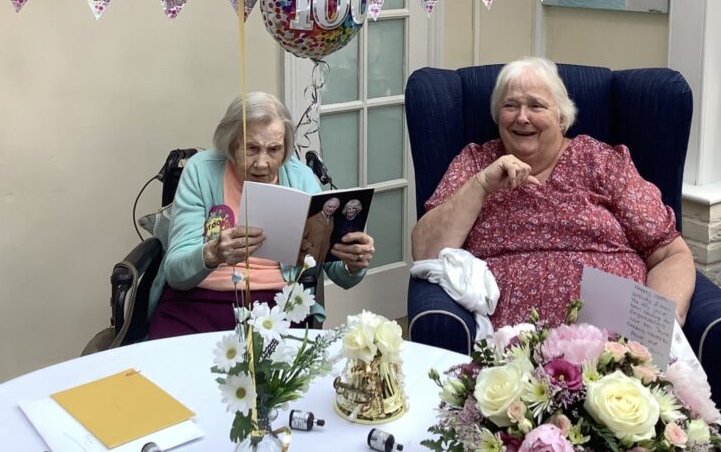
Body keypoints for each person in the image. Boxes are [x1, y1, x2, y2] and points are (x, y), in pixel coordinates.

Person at [411, 57, 696, 329]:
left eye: (536, 106)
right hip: (511, 347)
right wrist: (483, 185)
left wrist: (655, 333)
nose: (522, 117)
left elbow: (669, 254)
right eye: (510, 105)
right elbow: (426, 251)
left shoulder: (601, 162)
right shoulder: (476, 164)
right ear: (498, 116)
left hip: (614, 343)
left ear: (561, 118)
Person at [148, 92, 376, 338]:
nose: (262, 163)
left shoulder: (300, 178)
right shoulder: (201, 171)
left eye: (274, 150)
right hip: (197, 301)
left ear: (285, 148)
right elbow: (176, 273)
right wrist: (212, 253)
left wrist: (353, 263)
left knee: (279, 376)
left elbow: (338, 273)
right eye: (252, 148)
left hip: (277, 307)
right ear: (231, 143)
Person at [300, 196, 340, 265]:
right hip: (306, 259)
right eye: (329, 206)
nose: (331, 209)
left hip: (321, 261)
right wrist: (309, 248)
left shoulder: (332, 221)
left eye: (334, 207)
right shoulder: (311, 220)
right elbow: (299, 237)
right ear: (324, 206)